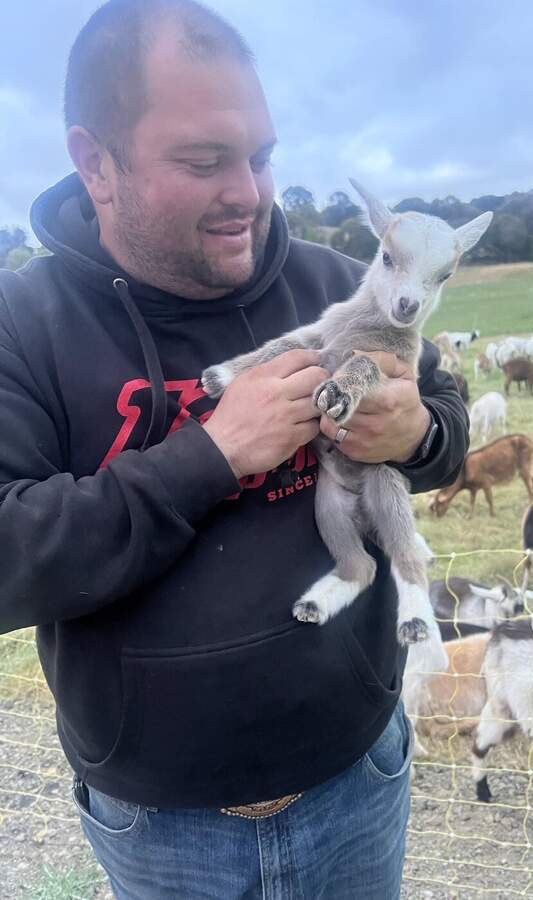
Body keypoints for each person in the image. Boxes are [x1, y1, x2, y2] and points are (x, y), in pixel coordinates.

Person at [0, 1, 469, 897]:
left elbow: (444, 423)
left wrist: (419, 433)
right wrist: (207, 457)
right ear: (95, 162)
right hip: (160, 827)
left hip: (355, 783)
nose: (248, 192)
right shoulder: (23, 326)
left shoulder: (336, 283)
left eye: (259, 157)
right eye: (205, 161)